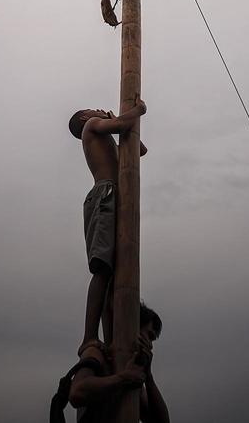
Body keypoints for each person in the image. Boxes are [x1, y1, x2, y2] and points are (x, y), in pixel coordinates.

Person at [68, 101, 147, 354]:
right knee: (103, 268)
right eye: (91, 109)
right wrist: (138, 110)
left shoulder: (108, 135)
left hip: (117, 198)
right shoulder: (91, 126)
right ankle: (89, 336)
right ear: (83, 119)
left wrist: (124, 119)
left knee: (113, 278)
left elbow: (140, 149)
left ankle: (112, 340)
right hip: (105, 195)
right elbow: (125, 123)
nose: (98, 109)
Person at [67, 303, 170, 423]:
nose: (150, 345)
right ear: (134, 328)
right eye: (149, 335)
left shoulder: (134, 377)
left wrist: (149, 377)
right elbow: (77, 393)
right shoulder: (97, 354)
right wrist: (122, 378)